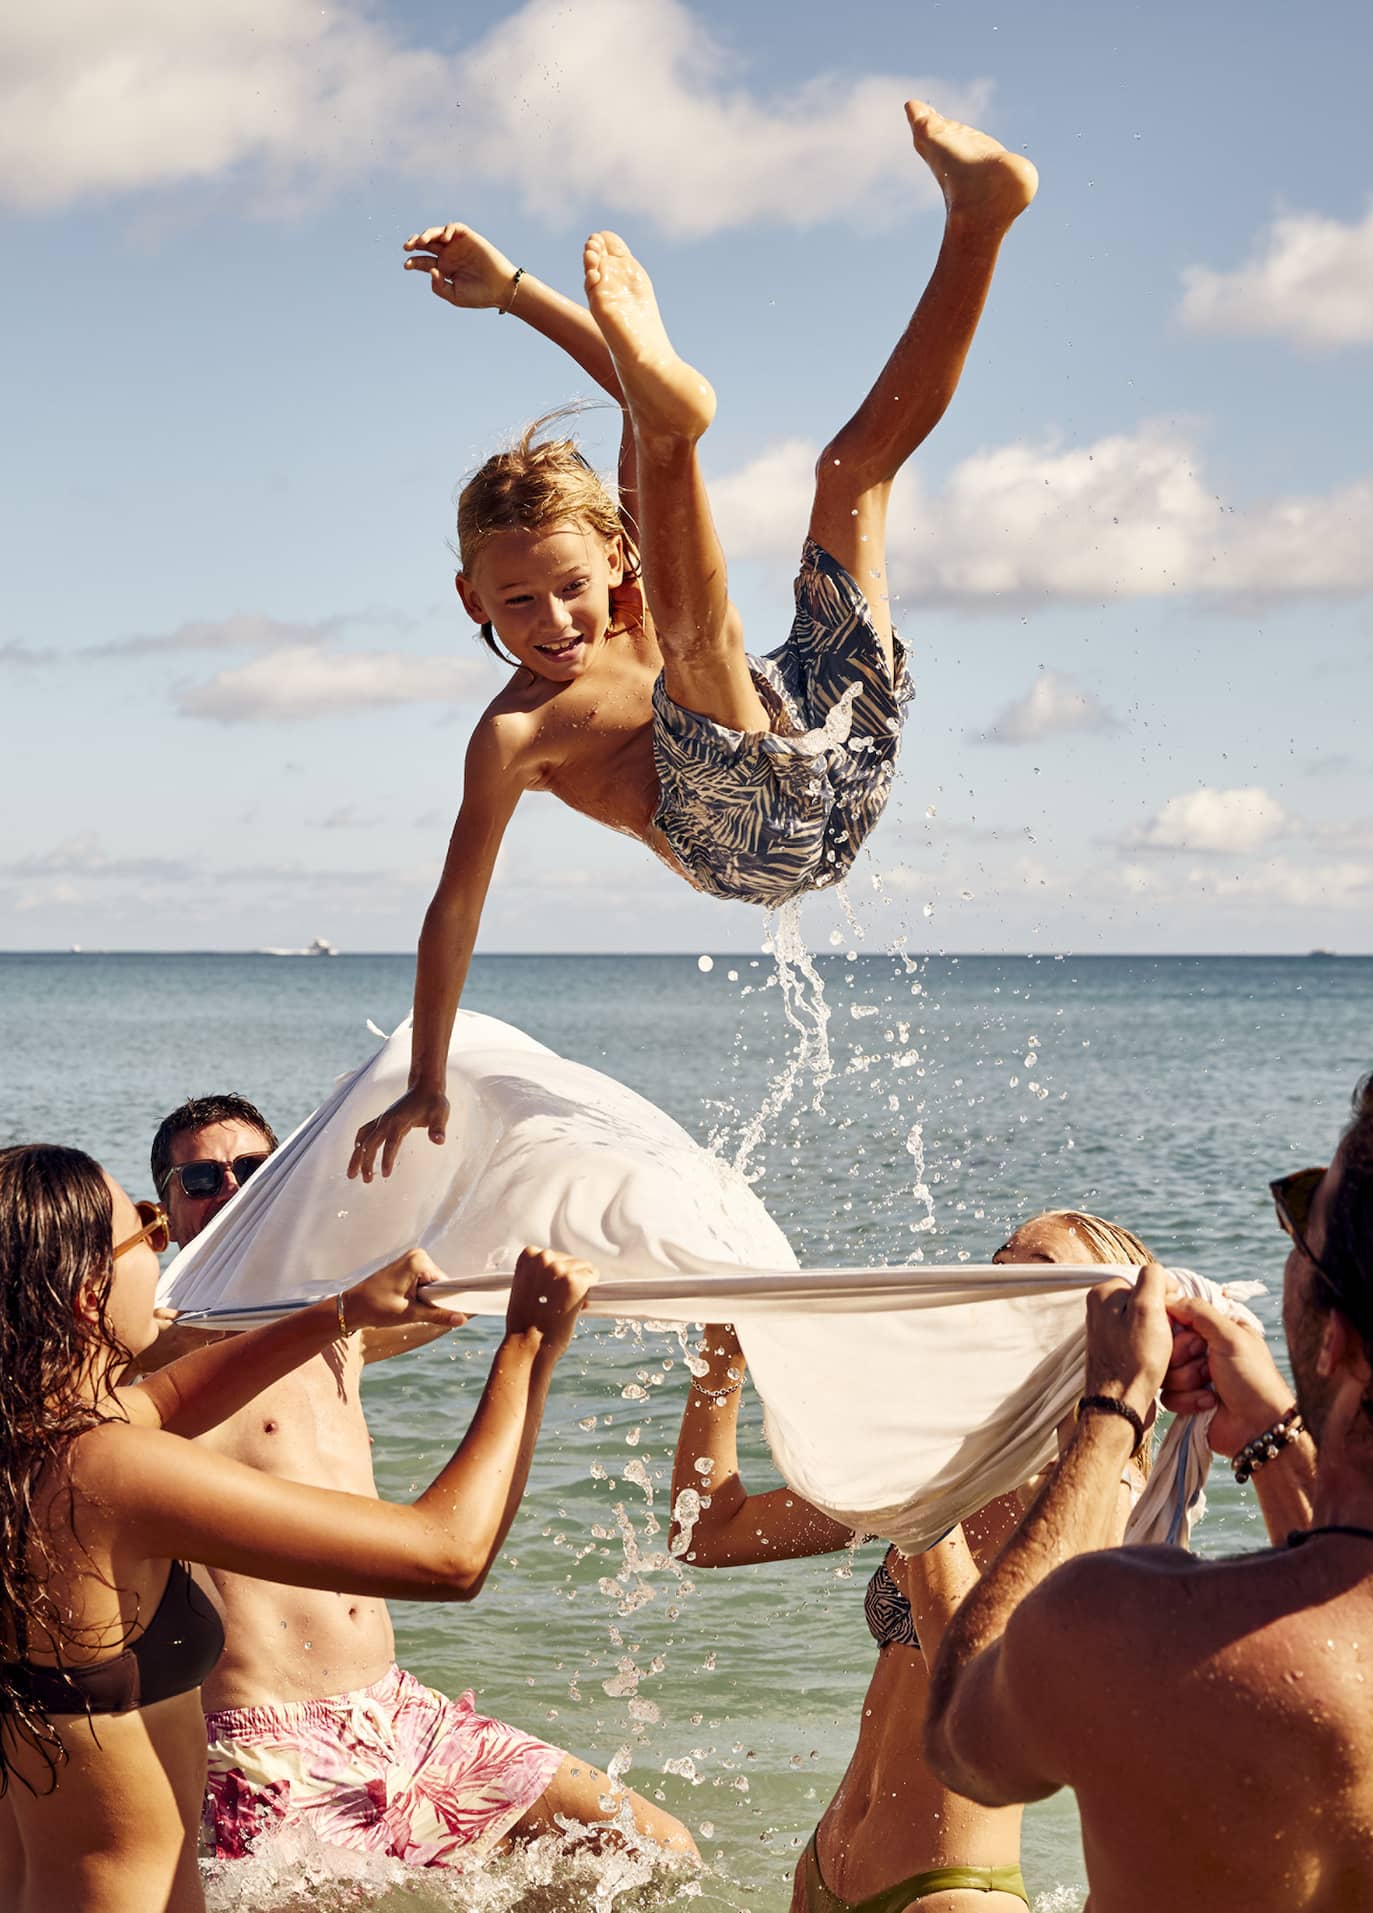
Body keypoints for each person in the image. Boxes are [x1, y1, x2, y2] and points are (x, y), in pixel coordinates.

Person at [349, 99, 1038, 1178]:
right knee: (696, 647)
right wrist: (427, 1072)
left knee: (850, 475)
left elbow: (633, 425)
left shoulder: (636, 594)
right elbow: (456, 903)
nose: (555, 621)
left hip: (836, 738)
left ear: (610, 563)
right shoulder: (514, 735)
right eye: (517, 603)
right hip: (757, 843)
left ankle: (981, 216)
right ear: (471, 600)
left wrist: (516, 294)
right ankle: (672, 422)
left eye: (570, 586)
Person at [0, 1140, 676, 1913]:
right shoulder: (104, 1467)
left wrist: (343, 1309)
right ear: (91, 1292)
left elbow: (174, 1397)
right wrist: (528, 1343)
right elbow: (449, 1555)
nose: (163, 1250)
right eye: (149, 1229)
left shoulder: (36, 1444)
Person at [924, 1058, 1373, 1913]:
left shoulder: (1153, 1635)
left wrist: (1111, 1410)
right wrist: (1279, 1433)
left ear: (1341, 1343)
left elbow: (962, 1732)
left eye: (1300, 1214)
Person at [671, 1211, 1157, 1913]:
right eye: (998, 1257)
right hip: (821, 1873)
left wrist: (916, 1486)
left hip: (947, 1891)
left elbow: (977, 1678)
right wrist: (723, 1360)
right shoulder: (952, 1462)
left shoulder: (1102, 1488)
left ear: (1104, 1311)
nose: (999, 1274)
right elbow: (710, 1531)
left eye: (1039, 1265)